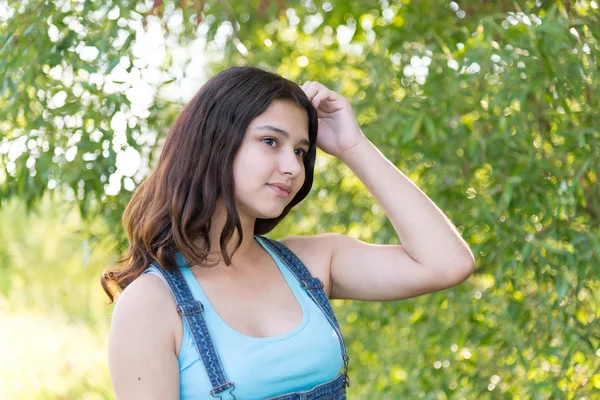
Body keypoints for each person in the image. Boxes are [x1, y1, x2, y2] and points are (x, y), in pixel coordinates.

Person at [102, 66, 475, 400]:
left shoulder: (312, 263)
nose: (293, 167)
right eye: (270, 142)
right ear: (214, 141)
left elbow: (447, 263)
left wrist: (352, 146)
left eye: (300, 151)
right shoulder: (151, 303)